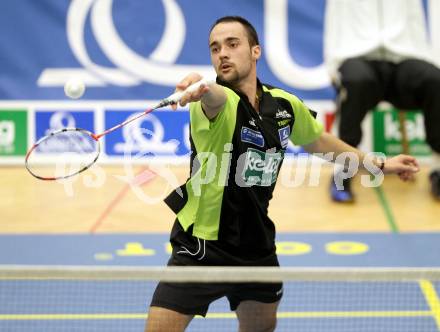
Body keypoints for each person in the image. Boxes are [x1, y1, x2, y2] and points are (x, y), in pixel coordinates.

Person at [145, 16, 419, 332]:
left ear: (255, 51)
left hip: (256, 245)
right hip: (202, 246)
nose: (222, 53)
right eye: (215, 48)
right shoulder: (215, 103)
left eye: (232, 44)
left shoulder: (285, 106)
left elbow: (319, 141)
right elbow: (214, 98)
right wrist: (201, 86)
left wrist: (379, 164)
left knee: (262, 328)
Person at [324, 0, 440, 202]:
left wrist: (425, 58)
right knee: (355, 80)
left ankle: (438, 168)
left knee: (434, 79)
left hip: (402, 57)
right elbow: (334, 23)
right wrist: (334, 65)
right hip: (357, 55)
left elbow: (416, 23)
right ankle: (343, 169)